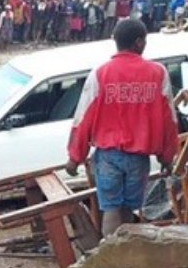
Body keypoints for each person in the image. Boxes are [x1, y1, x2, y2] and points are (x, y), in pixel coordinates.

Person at [66, 19, 178, 236]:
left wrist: (74, 157)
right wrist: (167, 156)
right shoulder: (158, 73)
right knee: (128, 209)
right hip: (139, 158)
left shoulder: (100, 74)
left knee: (110, 208)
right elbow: (169, 120)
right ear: (138, 43)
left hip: (108, 156)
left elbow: (82, 119)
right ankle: (124, 254)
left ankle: (109, 255)